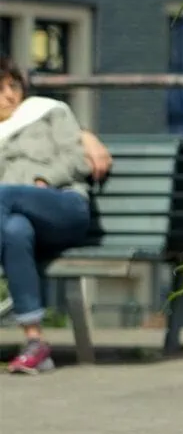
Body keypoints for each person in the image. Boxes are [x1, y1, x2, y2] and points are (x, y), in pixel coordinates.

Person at [0, 57, 109, 374]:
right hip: (17, 219)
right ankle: (36, 344)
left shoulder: (47, 111)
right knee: (14, 231)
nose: (10, 95)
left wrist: (44, 178)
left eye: (14, 86)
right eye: (1, 88)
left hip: (63, 205)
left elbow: (79, 161)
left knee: (4, 195)